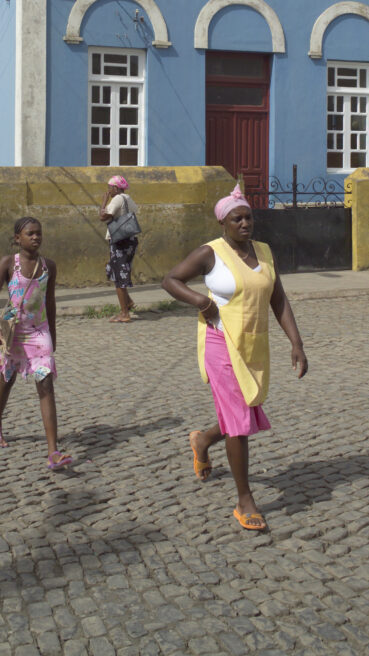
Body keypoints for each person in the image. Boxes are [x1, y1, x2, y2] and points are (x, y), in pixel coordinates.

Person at [161, 184, 308, 532]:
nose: (244, 223)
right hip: (220, 345)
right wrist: (200, 301)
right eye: (236, 219)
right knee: (240, 420)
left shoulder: (265, 252)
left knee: (243, 414)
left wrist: (296, 342)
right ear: (223, 224)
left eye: (248, 217)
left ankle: (203, 440)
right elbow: (170, 280)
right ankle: (245, 501)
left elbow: (279, 299)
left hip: (254, 345)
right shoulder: (209, 253)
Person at [0, 216, 73, 469]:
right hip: (13, 332)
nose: (35, 237)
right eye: (30, 233)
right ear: (17, 238)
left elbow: (50, 302)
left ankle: (53, 451)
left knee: (45, 385)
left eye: (38, 233)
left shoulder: (49, 266)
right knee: (7, 378)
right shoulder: (8, 264)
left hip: (38, 331)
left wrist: (52, 335)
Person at [100, 174, 139, 323]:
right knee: (115, 271)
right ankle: (128, 302)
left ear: (116, 188)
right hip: (129, 240)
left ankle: (124, 313)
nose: (108, 191)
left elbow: (103, 217)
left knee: (119, 276)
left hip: (120, 241)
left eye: (110, 188)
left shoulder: (116, 199)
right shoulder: (128, 198)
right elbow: (133, 211)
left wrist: (104, 202)